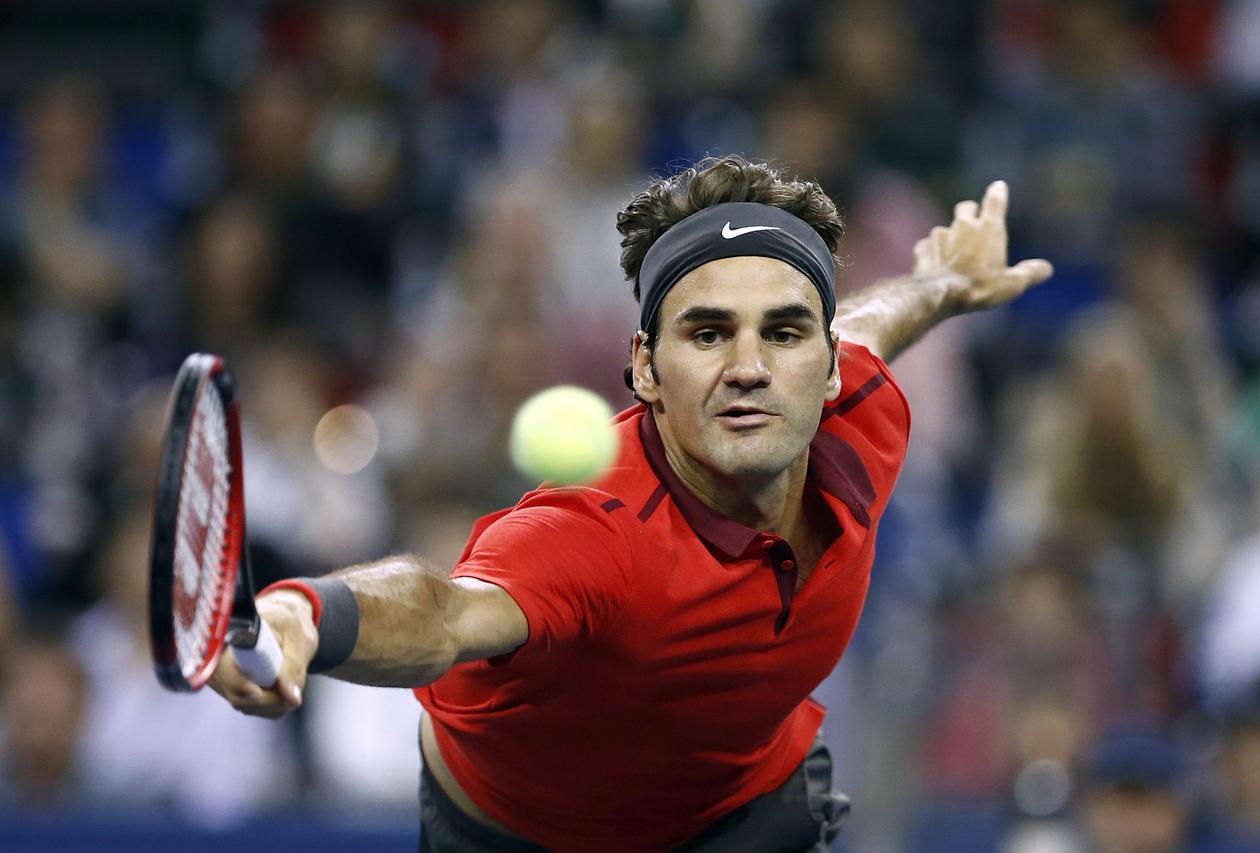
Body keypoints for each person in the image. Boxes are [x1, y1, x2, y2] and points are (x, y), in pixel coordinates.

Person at [210, 155, 1052, 851]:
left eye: (786, 332)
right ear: (645, 368)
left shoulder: (862, 412)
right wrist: (301, 615)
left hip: (736, 806)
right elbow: (440, 612)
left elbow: (873, 322)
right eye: (709, 333)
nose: (751, 366)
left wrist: (940, 280)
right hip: (526, 833)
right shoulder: (592, 535)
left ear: (830, 367)